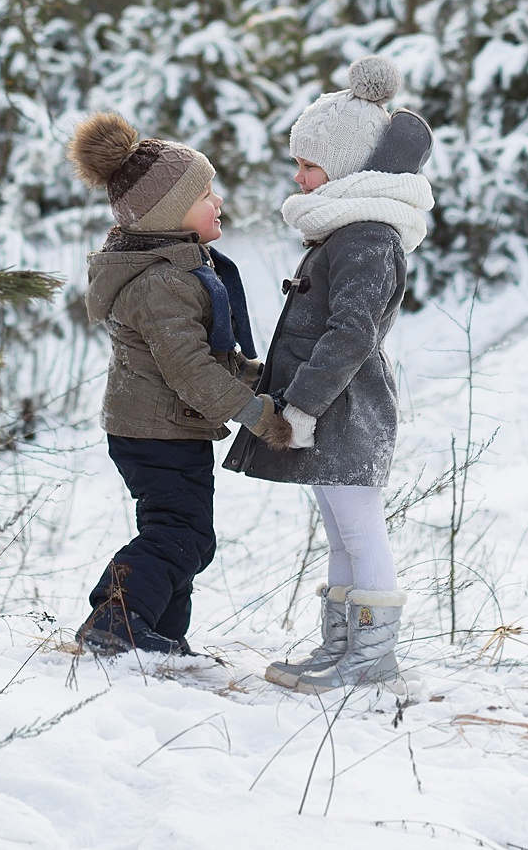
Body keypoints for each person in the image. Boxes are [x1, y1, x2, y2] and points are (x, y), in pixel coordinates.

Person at [225, 55, 434, 693]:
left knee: (359, 525)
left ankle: (371, 660)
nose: (299, 176)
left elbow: (352, 334)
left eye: (309, 165)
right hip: (329, 408)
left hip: (348, 408)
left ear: (345, 168)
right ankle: (341, 647)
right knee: (340, 527)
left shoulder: (368, 238)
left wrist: (303, 405)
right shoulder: (345, 233)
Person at [68, 111, 291, 656]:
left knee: (185, 532)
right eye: (204, 194)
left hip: (165, 428)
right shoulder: (163, 282)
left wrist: (255, 377)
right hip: (155, 432)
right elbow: (188, 369)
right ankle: (117, 618)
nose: (217, 201)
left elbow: (202, 355)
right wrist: (257, 415)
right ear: (169, 214)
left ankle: (161, 633)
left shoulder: (176, 270)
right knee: (180, 533)